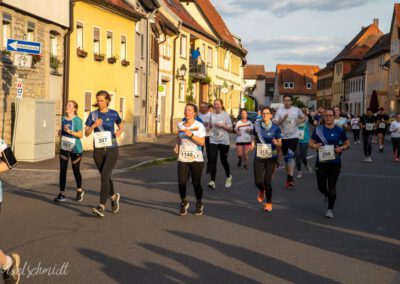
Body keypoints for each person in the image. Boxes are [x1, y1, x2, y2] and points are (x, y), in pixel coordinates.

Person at [85, 90, 124, 217]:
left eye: (101, 100)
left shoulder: (113, 114)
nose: (99, 102)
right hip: (98, 150)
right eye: (98, 100)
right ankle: (113, 197)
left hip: (112, 148)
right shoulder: (93, 115)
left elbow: (121, 124)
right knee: (105, 176)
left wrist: (119, 131)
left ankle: (101, 206)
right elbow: (86, 133)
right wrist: (94, 125)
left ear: (107, 100)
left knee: (104, 176)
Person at [309, 108, 350, 218]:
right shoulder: (318, 129)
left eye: (330, 115)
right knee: (321, 187)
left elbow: (347, 144)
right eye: (326, 115)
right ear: (324, 116)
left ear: (334, 116)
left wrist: (342, 148)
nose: (328, 117)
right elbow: (311, 142)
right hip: (321, 162)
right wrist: (314, 146)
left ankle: (330, 209)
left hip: (334, 162)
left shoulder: (339, 130)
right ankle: (326, 194)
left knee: (332, 185)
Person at [174, 103, 206, 216]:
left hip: (196, 158)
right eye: (186, 110)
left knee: (196, 183)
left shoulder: (199, 126)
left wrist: (191, 134)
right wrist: (177, 144)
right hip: (183, 157)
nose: (187, 112)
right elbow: (179, 136)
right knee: (181, 182)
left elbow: (202, 142)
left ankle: (199, 203)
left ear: (194, 113)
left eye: (189, 110)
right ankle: (183, 202)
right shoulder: (180, 125)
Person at [250, 107, 282, 212]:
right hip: (259, 156)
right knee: (258, 181)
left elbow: (280, 143)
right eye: (263, 113)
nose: (265, 115)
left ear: (271, 115)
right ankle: (261, 189)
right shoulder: (257, 125)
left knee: (267, 181)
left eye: (267, 113)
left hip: (271, 157)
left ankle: (268, 202)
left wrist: (277, 144)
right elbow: (254, 136)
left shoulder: (276, 128)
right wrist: (252, 143)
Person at [54, 100, 84, 202]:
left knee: (76, 170)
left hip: (76, 149)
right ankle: (61, 193)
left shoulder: (77, 120)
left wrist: (70, 131)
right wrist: (60, 132)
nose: (67, 107)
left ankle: (79, 190)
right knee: (63, 170)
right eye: (67, 105)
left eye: (69, 105)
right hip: (64, 147)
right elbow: (63, 132)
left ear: (74, 109)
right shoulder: (63, 119)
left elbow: (80, 135)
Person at [273, 94, 305, 188]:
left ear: (291, 101)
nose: (287, 102)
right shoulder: (280, 110)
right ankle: (288, 176)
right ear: (283, 101)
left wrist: (300, 121)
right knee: (286, 158)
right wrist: (283, 119)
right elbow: (276, 122)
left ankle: (291, 178)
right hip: (283, 137)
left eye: (288, 100)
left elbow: (304, 117)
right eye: (285, 100)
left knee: (291, 156)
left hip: (294, 136)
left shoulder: (296, 110)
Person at [208, 99, 233, 189]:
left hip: (224, 141)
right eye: (215, 104)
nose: (216, 105)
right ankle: (212, 181)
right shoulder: (211, 115)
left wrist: (223, 126)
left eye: (218, 104)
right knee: (213, 160)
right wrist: (207, 129)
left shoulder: (226, 115)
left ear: (221, 105)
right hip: (213, 140)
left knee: (223, 161)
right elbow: (210, 126)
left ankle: (228, 176)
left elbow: (231, 129)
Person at [296, 108, 312, 178]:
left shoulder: (306, 119)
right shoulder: (295, 120)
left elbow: (309, 117)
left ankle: (306, 164)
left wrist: (307, 112)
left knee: (303, 157)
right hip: (296, 141)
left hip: (305, 140)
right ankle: (299, 171)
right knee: (297, 155)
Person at [198, 102, 211, 173]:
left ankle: (209, 164)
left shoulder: (211, 115)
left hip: (208, 135)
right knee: (200, 151)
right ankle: (199, 165)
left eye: (204, 107)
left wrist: (209, 125)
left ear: (207, 108)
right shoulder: (198, 115)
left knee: (209, 152)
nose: (202, 108)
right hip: (200, 136)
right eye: (201, 107)